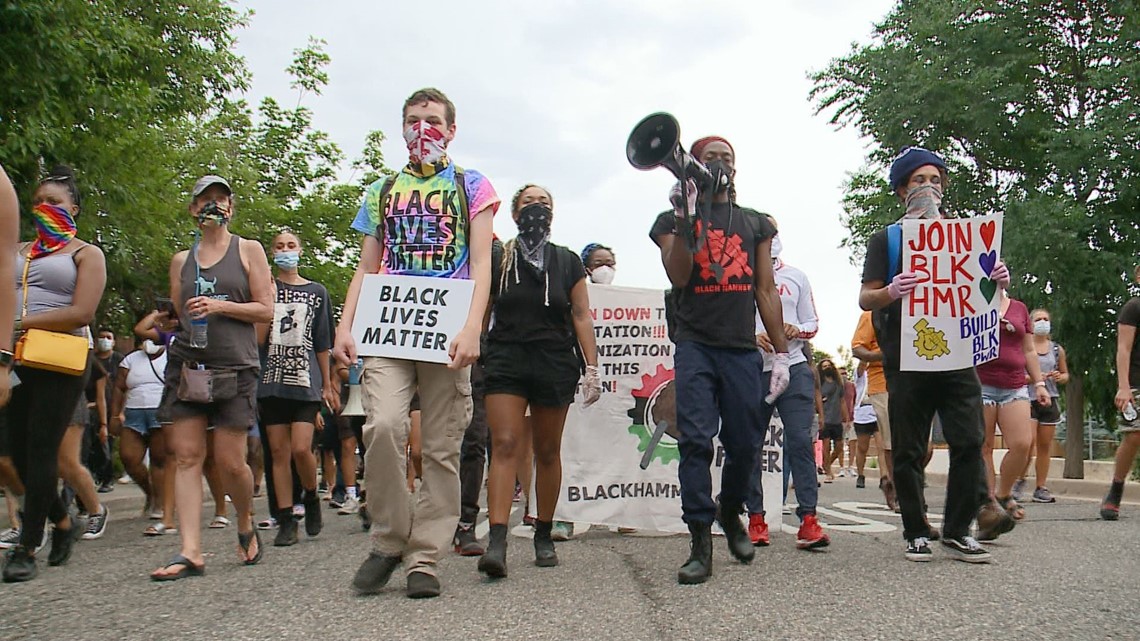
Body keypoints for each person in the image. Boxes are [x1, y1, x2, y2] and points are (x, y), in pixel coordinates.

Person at [335, 88, 497, 599]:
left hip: (447, 330)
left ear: (451, 130)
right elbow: (366, 266)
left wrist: (473, 326)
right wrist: (345, 325)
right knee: (382, 427)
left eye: (432, 120)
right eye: (412, 119)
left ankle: (424, 555)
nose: (421, 128)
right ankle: (388, 539)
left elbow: (481, 262)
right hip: (388, 327)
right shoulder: (381, 189)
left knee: (442, 448)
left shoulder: (473, 186)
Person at [648, 135, 790, 585]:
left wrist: (783, 353)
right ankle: (699, 540)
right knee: (695, 441)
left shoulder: (755, 223)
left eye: (727, 158)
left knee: (746, 442)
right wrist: (687, 217)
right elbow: (679, 274)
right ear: (694, 166)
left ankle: (731, 512)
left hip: (740, 348)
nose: (720, 164)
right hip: (696, 345)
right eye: (709, 158)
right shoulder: (671, 219)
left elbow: (765, 289)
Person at [859, 147, 1010, 563]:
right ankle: (915, 529)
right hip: (907, 359)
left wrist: (997, 280)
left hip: (958, 358)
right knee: (909, 448)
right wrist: (891, 291)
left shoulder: (967, 238)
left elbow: (985, 298)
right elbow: (865, 297)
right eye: (919, 180)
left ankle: (959, 529)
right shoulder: (888, 239)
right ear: (902, 190)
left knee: (968, 441)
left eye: (935, 180)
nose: (929, 187)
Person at [149, 175, 274, 581]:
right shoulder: (180, 261)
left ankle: (243, 519)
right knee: (185, 456)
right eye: (205, 200)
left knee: (230, 461)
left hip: (235, 366)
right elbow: (180, 313)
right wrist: (172, 319)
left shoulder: (248, 250)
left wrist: (220, 306)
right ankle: (190, 552)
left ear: (231, 208)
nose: (213, 206)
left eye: (221, 200)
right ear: (192, 210)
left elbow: (266, 310)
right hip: (188, 364)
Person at [476, 185, 600, 578]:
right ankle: (496, 541)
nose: (537, 209)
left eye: (545, 203)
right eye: (529, 203)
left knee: (547, 449)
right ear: (514, 213)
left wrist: (592, 367)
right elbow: (483, 305)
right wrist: (473, 345)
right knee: (506, 443)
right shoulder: (499, 258)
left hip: (553, 360)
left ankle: (543, 531)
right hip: (507, 357)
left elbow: (581, 314)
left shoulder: (567, 262)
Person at [2, 166, 106, 582]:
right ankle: (62, 521)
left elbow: (83, 312)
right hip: (14, 358)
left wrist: (22, 323)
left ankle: (27, 547)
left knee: (43, 448)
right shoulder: (18, 250)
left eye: (55, 203)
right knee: (11, 452)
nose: (45, 209)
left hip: (60, 358)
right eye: (39, 202)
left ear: (74, 209)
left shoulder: (85, 253)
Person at [746, 223, 828, 550]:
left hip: (793, 367)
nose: (770, 240)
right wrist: (750, 338)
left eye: (772, 233)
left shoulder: (797, 276)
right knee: (750, 445)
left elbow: (814, 323)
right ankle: (755, 518)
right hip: (753, 371)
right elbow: (726, 322)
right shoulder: (739, 278)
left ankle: (809, 520)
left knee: (799, 441)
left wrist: (797, 329)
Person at [257, 231, 337, 547]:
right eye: (279, 246)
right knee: (278, 452)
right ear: (271, 253)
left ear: (300, 250)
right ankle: (286, 517)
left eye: (291, 245)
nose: (285, 250)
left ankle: (310, 492)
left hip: (305, 383)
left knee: (301, 448)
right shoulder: (264, 291)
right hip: (271, 381)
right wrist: (266, 298)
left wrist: (328, 383)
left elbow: (322, 342)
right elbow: (258, 338)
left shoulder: (317, 292)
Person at [976, 291, 1051, 523]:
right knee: (984, 447)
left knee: (1022, 444)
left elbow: (1029, 349)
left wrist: (1039, 383)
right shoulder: (971, 301)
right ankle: (988, 504)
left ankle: (1003, 492)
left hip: (1014, 384)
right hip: (980, 382)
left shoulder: (1018, 308)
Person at [111, 335, 169, 533]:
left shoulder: (171, 356)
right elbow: (119, 388)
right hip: (134, 414)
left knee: (159, 459)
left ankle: (160, 503)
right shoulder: (130, 359)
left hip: (160, 411)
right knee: (129, 457)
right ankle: (150, 492)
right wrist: (114, 416)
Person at [1013, 308, 1068, 503]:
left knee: (1045, 446)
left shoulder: (1056, 349)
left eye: (1046, 319)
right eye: (1038, 319)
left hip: (1050, 399)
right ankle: (1018, 480)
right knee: (1028, 444)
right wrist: (1035, 379)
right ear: (1030, 323)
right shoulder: (1022, 346)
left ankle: (1041, 487)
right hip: (1028, 398)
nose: (1043, 322)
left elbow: (1065, 374)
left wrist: (1059, 377)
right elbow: (1016, 374)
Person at [1100, 265, 1140, 521]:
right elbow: (1123, 349)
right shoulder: (1133, 307)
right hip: (1136, 380)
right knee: (1135, 436)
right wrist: (1123, 386)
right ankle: (1115, 490)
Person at [59, 351, 109, 539]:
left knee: (68, 463)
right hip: (34, 403)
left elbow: (100, 395)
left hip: (68, 402)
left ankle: (95, 510)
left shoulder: (78, 348)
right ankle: (37, 523)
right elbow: (17, 375)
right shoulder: (22, 338)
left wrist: (104, 423)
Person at [851, 310, 897, 509]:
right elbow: (857, 348)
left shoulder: (920, 306)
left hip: (917, 381)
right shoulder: (872, 314)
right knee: (890, 443)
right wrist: (884, 355)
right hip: (883, 383)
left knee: (925, 447)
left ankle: (900, 483)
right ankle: (897, 490)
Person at [91, 327, 122, 492]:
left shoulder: (119, 359)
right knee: (93, 446)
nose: (105, 340)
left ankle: (107, 478)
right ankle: (96, 475)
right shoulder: (92, 360)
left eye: (108, 337)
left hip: (112, 406)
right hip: (92, 407)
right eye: (101, 337)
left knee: (107, 443)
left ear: (114, 341)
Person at [818, 359, 847, 482]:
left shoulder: (838, 384)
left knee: (839, 446)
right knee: (826, 445)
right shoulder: (820, 384)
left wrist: (847, 418)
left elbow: (842, 401)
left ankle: (826, 464)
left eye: (829, 365)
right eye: (824, 366)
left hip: (837, 419)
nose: (827, 368)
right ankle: (828, 472)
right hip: (825, 418)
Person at [851, 362, 879, 487]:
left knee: (883, 447)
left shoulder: (882, 373)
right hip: (862, 414)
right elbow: (861, 366)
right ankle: (860, 475)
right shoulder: (862, 375)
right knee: (862, 447)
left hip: (879, 412)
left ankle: (885, 477)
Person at [840, 366, 858, 477]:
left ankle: (851, 467)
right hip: (838, 419)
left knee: (853, 442)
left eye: (845, 373)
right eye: (841, 373)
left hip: (851, 418)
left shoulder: (852, 386)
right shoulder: (836, 386)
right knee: (839, 444)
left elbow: (854, 400)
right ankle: (841, 468)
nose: (844, 375)